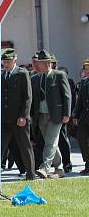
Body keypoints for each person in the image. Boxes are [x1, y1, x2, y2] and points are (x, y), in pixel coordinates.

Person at [30, 50, 71, 178]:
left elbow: (67, 95)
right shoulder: (35, 78)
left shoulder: (59, 75)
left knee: (50, 142)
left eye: (40, 63)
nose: (37, 65)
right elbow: (33, 99)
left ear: (48, 64)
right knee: (52, 143)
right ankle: (59, 169)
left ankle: (45, 167)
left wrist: (66, 113)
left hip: (56, 115)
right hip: (41, 115)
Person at [0, 49, 37, 180]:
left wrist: (24, 115)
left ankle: (31, 174)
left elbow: (28, 97)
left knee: (25, 146)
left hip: (19, 118)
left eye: (8, 61)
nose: (6, 64)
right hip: (4, 119)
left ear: (15, 60)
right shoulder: (1, 75)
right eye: (4, 62)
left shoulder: (22, 73)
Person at [73, 59, 89, 174]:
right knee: (81, 138)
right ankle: (87, 163)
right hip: (84, 117)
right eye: (85, 68)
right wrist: (76, 115)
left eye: (88, 68)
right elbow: (80, 101)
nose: (86, 70)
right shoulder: (84, 82)